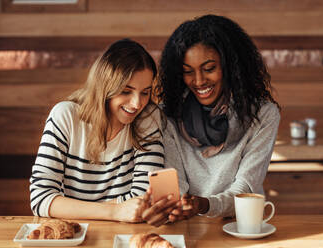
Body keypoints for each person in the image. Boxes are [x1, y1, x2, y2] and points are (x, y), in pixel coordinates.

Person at [143, 14, 280, 224]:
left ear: (232, 68)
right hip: (188, 227)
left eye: (209, 69)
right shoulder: (166, 116)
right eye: (188, 72)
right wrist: (174, 207)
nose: (198, 81)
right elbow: (174, 181)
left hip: (240, 225)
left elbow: (245, 189)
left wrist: (204, 205)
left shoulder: (263, 115)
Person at [29, 39, 165, 223]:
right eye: (126, 91)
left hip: (125, 234)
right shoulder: (66, 116)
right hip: (76, 235)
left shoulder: (148, 117)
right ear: (104, 87)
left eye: (145, 92)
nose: (137, 104)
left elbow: (143, 201)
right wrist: (115, 212)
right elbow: (40, 199)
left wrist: (71, 207)